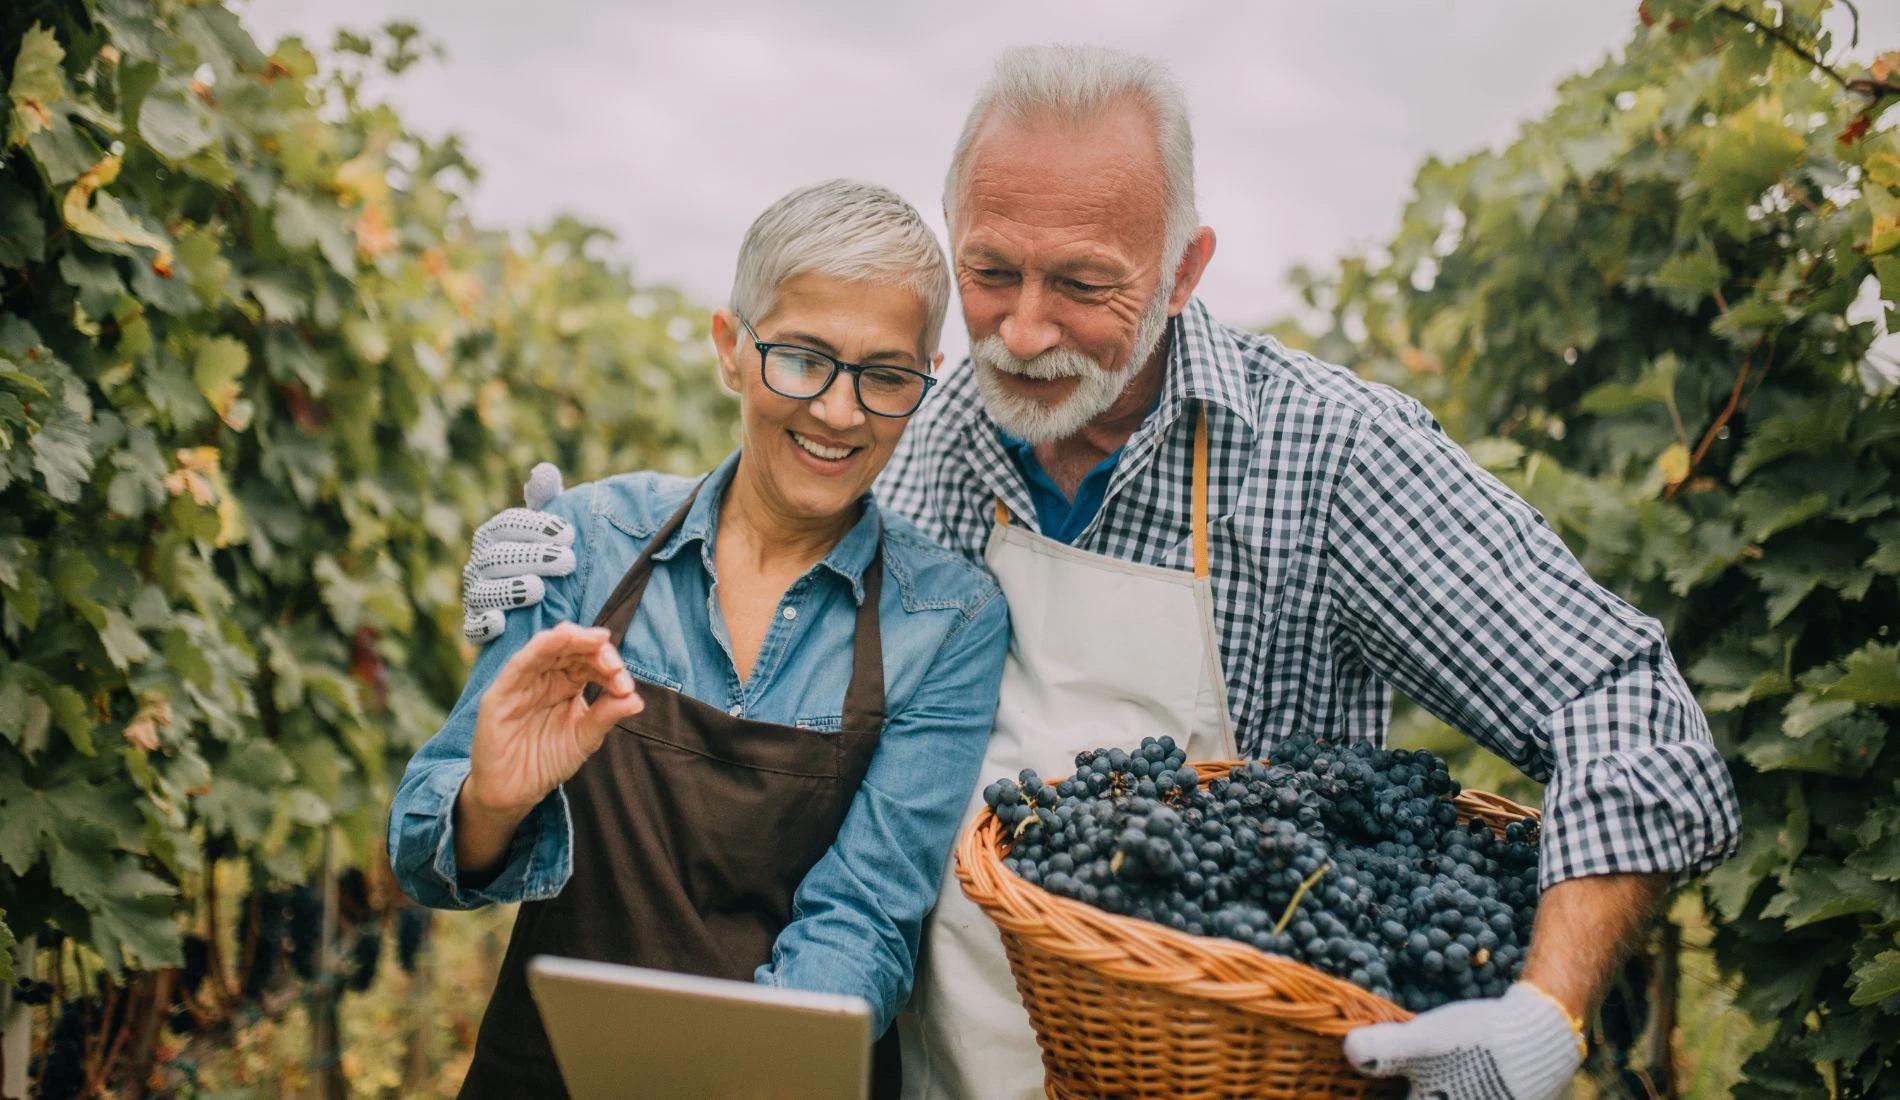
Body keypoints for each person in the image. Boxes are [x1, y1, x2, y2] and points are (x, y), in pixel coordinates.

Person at [459, 48, 1741, 1100]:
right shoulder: (917, 437)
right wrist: (566, 554)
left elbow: (1626, 708)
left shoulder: (1324, 456)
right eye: (988, 272)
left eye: (1083, 285)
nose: (1020, 331)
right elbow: (754, 520)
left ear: (1185, 268)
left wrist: (1545, 1009)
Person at [391, 179, 1009, 1099]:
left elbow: (867, 914)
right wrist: (490, 800)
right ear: (732, 349)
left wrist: (748, 1070)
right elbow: (423, 855)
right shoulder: (589, 546)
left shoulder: (948, 621)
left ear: (927, 376)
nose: (840, 413)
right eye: (802, 358)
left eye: (885, 375)